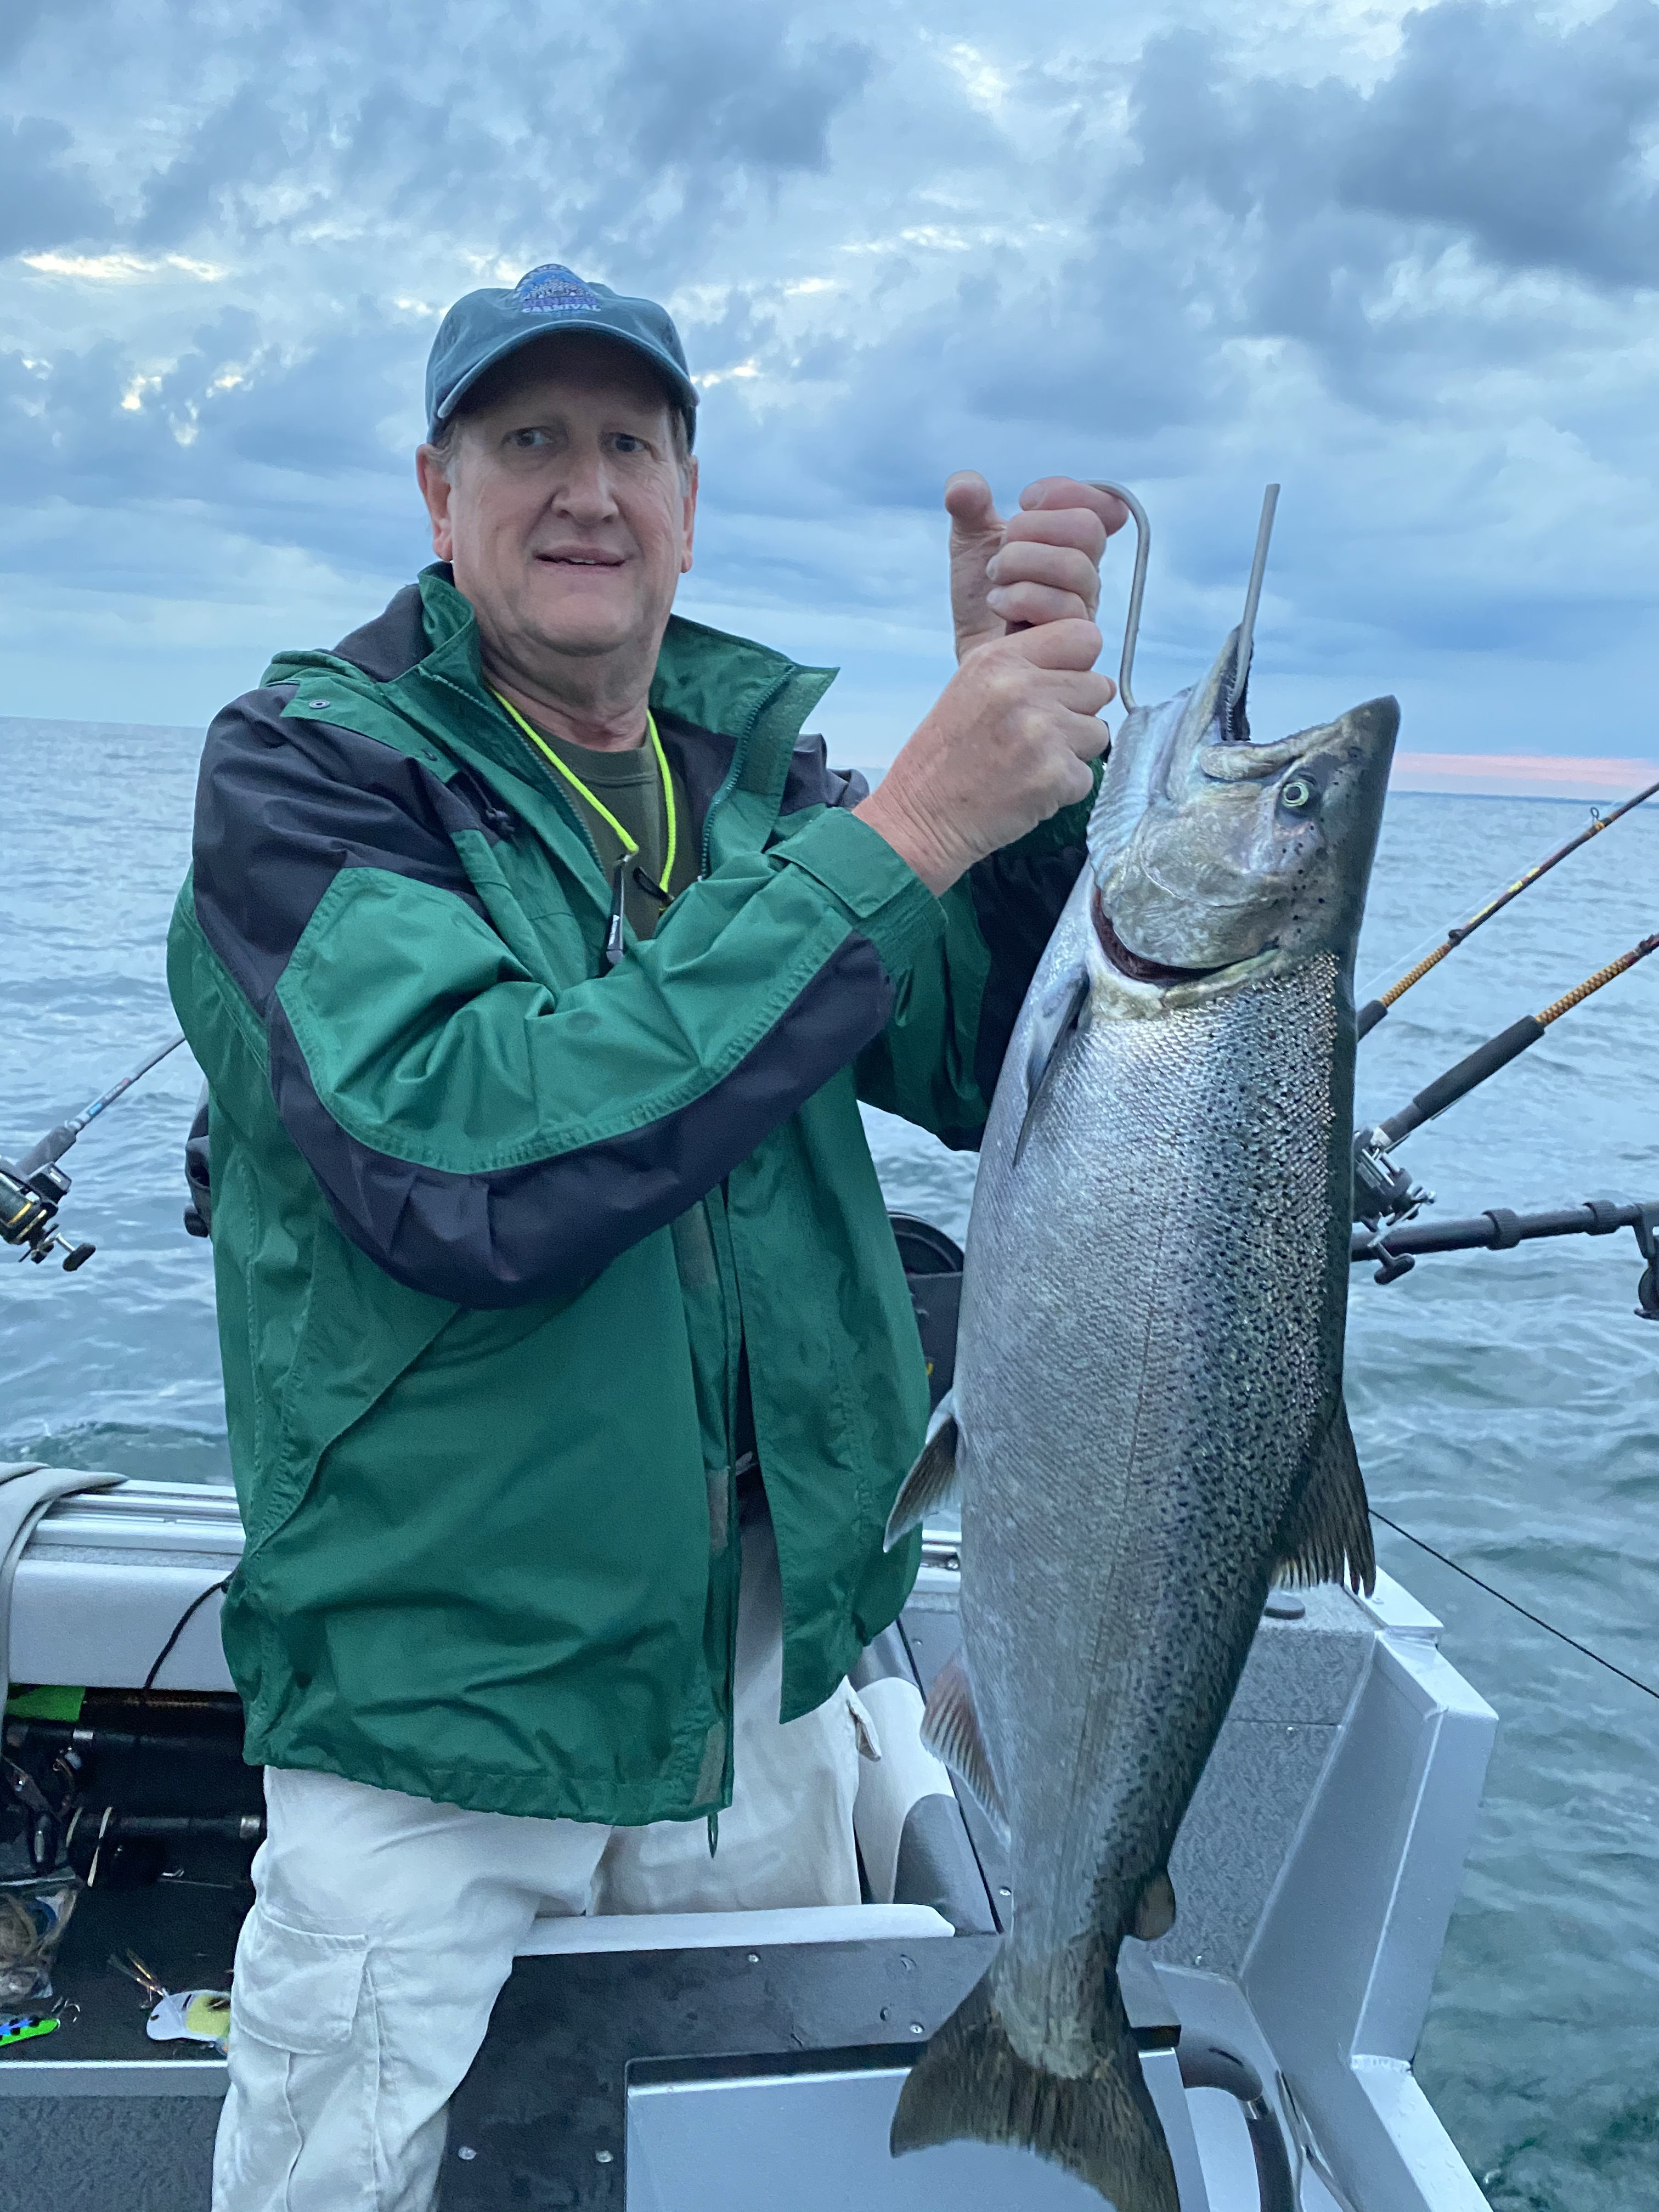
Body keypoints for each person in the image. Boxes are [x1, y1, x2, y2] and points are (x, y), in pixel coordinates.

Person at [167, 261, 1124, 2211]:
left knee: (755, 2171)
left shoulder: (770, 792)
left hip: (763, 1672)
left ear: (691, 500)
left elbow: (988, 1068)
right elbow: (467, 1165)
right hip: (439, 1700)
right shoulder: (306, 775)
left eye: (631, 442)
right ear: (437, 494)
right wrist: (907, 832)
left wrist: (1020, 806)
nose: (585, 488)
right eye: (529, 439)